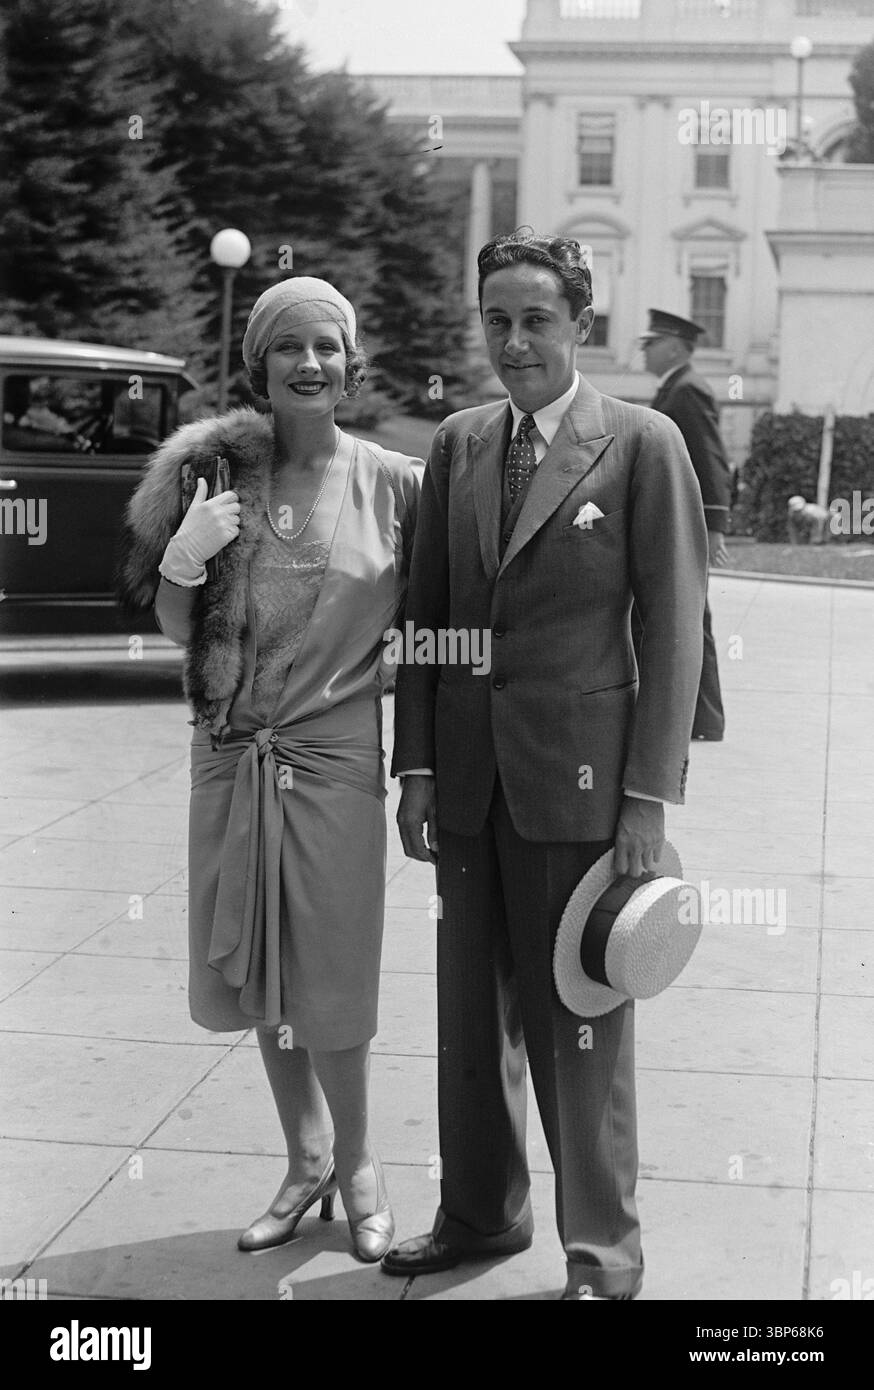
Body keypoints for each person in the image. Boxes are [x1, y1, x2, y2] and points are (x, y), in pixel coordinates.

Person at [381, 230, 708, 1300]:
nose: (514, 341)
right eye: (496, 321)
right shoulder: (460, 442)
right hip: (470, 788)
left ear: (580, 322)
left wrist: (646, 798)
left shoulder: (641, 441)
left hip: (582, 789)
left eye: (535, 319)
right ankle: (479, 1216)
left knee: (582, 1022)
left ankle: (602, 1254)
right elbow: (425, 618)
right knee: (470, 1021)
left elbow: (672, 631)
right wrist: (417, 769)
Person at [118, 276, 422, 1262]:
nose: (308, 363)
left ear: (351, 361)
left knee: (332, 976)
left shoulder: (394, 483)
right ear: (259, 363)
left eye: (327, 346)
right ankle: (307, 1161)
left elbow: (430, 639)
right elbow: (175, 630)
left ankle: (363, 1165)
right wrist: (184, 559)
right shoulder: (211, 471)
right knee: (261, 974)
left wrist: (420, 763)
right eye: (287, 346)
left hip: (331, 759)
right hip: (230, 754)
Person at [640, 308, 733, 741]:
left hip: (685, 522)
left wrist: (714, 525)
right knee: (683, 615)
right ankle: (699, 717)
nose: (644, 350)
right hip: (675, 519)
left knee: (691, 616)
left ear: (675, 346)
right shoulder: (675, 388)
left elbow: (709, 458)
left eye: (651, 343)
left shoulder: (687, 391)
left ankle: (704, 718)